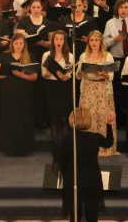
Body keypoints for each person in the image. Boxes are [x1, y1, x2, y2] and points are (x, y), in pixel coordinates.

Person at [58, 107, 115, 222]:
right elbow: (109, 143)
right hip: (92, 179)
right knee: (92, 215)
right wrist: (108, 124)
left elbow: (61, 161)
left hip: (73, 178)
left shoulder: (67, 139)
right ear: (88, 120)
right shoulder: (94, 137)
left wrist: (66, 175)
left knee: (74, 215)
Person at [76, 30, 118, 156]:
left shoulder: (107, 56)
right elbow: (78, 76)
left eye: (96, 40)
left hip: (102, 90)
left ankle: (104, 148)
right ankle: (88, 148)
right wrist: (81, 71)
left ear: (101, 42)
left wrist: (104, 74)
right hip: (88, 88)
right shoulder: (84, 56)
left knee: (102, 116)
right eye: (91, 40)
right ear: (88, 42)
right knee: (89, 117)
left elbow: (111, 76)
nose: (94, 42)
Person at [0, 33, 36, 156]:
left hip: (24, 91)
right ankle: (9, 147)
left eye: (21, 43)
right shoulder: (5, 55)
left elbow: (34, 77)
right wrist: (10, 73)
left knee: (23, 118)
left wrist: (22, 75)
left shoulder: (29, 56)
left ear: (24, 44)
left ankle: (24, 147)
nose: (18, 45)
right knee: (10, 118)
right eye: (16, 43)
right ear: (12, 43)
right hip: (9, 90)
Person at [16, 0, 51, 128]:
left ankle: (41, 119)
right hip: (28, 55)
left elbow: (52, 42)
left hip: (43, 55)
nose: (36, 10)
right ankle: (29, 119)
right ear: (30, 8)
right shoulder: (24, 21)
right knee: (29, 87)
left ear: (41, 8)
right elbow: (18, 39)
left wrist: (44, 43)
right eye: (34, 7)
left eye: (38, 7)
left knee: (42, 88)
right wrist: (25, 38)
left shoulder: (47, 22)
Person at [42, 30, 75, 168]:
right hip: (52, 87)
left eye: (61, 39)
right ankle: (56, 153)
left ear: (64, 41)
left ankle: (65, 151)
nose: (59, 42)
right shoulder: (46, 55)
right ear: (53, 41)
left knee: (64, 120)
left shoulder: (70, 56)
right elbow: (43, 74)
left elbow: (71, 73)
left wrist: (65, 76)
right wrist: (48, 73)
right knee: (54, 119)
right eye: (56, 39)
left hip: (64, 87)